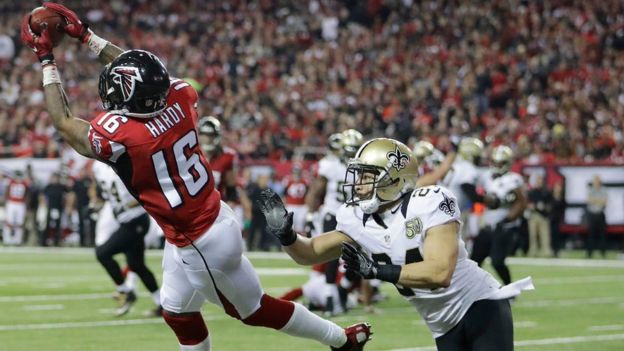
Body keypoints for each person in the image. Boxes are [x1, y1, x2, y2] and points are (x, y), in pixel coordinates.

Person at [21, 4, 370, 350]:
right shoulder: (180, 96)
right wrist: (86, 36)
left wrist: (47, 60)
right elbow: (142, 69)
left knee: (253, 310)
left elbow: (65, 124)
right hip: (211, 217)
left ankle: (340, 340)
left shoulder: (125, 137)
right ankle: (341, 339)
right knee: (177, 312)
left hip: (199, 240)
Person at [258, 138, 533, 351]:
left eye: (367, 176)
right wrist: (288, 236)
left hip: (478, 305)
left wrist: (377, 271)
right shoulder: (357, 219)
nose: (359, 184)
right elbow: (311, 252)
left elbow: (440, 274)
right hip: (441, 324)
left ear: (394, 177)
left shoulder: (430, 201)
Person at [90, 161, 162, 317]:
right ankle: (162, 304)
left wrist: (129, 204)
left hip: (136, 221)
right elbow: (102, 189)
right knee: (137, 266)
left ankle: (125, 291)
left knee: (102, 253)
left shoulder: (126, 164)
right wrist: (98, 202)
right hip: (124, 220)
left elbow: (147, 193)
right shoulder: (99, 166)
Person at [305, 128, 363, 316]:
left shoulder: (335, 166)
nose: (351, 153)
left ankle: (342, 290)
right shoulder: (332, 167)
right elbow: (316, 192)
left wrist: (311, 215)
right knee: (332, 257)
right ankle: (331, 297)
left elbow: (315, 192)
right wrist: (311, 216)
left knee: (360, 257)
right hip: (334, 215)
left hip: (352, 216)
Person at [471, 145, 527, 285]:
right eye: (494, 162)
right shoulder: (487, 176)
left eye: (499, 163)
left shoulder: (513, 179)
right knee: (474, 262)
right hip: (488, 224)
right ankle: (472, 290)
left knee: (497, 261)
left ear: (507, 163)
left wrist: (507, 220)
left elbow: (521, 203)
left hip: (503, 227)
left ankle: (510, 288)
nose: (496, 165)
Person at [527, 175, 553, 257]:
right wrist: (534, 206)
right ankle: (533, 251)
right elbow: (528, 204)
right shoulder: (532, 192)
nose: (539, 182)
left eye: (541, 180)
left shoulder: (547, 192)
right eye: (538, 180)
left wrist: (545, 207)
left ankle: (546, 251)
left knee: (545, 234)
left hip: (544, 215)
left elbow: (550, 204)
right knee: (533, 235)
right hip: (534, 215)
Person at [3, 170, 29, 245]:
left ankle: (18, 240)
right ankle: (7, 239)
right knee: (9, 222)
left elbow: (27, 194)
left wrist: (26, 204)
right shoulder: (10, 182)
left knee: (19, 222)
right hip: (11, 203)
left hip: (21, 204)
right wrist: (6, 203)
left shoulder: (25, 183)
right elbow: (7, 192)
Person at [585, 175, 608, 258]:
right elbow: (588, 200)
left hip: (600, 214)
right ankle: (589, 253)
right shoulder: (590, 190)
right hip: (592, 214)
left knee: (602, 234)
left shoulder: (603, 190)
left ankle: (603, 253)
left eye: (598, 180)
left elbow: (605, 202)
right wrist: (598, 200)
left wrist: (595, 200)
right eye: (595, 180)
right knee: (591, 234)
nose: (597, 182)